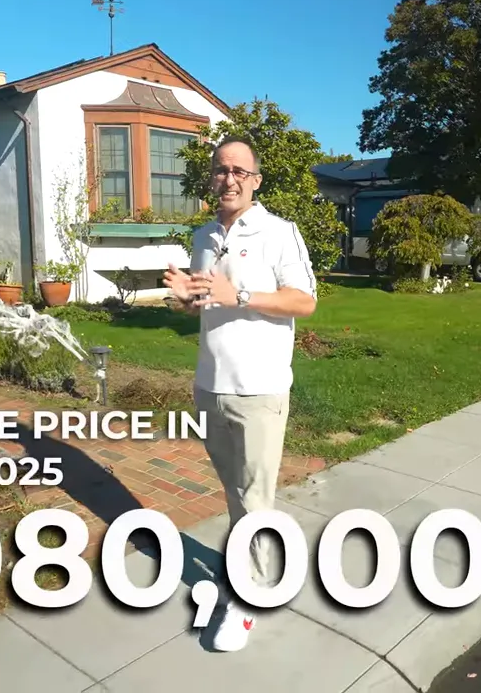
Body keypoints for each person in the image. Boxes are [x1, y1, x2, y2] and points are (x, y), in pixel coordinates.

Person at [163, 136, 317, 652]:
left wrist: (242, 294)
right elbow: (207, 303)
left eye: (238, 171)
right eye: (219, 170)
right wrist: (187, 299)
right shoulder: (203, 235)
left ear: (254, 181)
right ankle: (254, 565)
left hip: (259, 391)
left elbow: (304, 301)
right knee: (239, 496)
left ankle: (248, 598)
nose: (228, 179)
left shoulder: (279, 233)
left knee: (254, 499)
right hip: (210, 386)